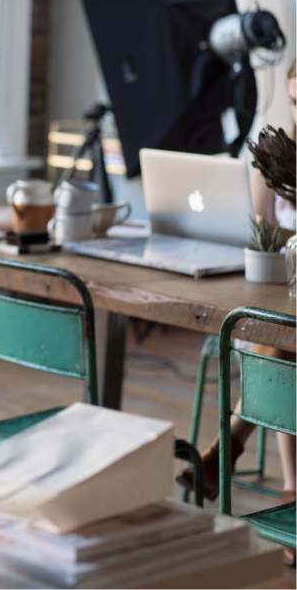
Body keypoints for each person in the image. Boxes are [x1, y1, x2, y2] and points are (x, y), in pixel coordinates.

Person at [177, 57, 297, 567]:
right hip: (285, 297)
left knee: (282, 342)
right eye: (295, 101)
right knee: (282, 338)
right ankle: (293, 491)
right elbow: (265, 238)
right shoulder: (279, 156)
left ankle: (226, 451)